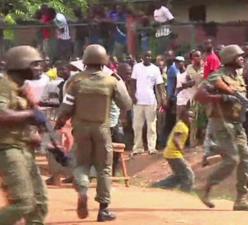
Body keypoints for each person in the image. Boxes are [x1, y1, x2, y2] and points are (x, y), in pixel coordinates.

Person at [55, 44, 132, 222]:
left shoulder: (75, 81)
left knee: (81, 165)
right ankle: (103, 210)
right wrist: (118, 80)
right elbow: (126, 104)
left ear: (85, 60)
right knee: (104, 168)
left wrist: (59, 123)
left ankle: (82, 191)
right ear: (104, 61)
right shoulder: (111, 80)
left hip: (80, 129)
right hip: (102, 129)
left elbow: (66, 107)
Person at [194, 45, 248, 211]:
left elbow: (242, 101)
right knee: (233, 158)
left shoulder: (238, 78)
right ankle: (206, 187)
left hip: (237, 124)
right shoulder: (216, 77)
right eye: (239, 56)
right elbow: (199, 96)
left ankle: (241, 199)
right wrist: (222, 97)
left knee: (246, 158)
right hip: (221, 123)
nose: (242, 59)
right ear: (230, 58)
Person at [0, 46, 48, 225]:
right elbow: (1, 115)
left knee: (39, 204)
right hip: (7, 149)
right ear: (21, 65)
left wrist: (40, 138)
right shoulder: (3, 86)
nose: (39, 68)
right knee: (23, 203)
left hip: (24, 148)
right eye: (35, 64)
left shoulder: (23, 88)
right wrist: (30, 115)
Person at [131, 50, 166, 155]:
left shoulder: (155, 69)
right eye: (146, 56)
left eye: (150, 56)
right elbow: (133, 82)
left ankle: (152, 148)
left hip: (151, 101)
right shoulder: (137, 67)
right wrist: (132, 95)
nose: (148, 58)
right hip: (138, 101)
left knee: (151, 126)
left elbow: (160, 86)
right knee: (137, 125)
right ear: (142, 56)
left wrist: (162, 99)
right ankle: (138, 148)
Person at [151, 110, 195, 192]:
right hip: (173, 154)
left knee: (178, 176)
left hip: (170, 153)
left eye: (192, 117)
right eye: (189, 117)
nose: (191, 119)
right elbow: (176, 138)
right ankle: (185, 191)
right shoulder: (181, 125)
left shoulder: (182, 125)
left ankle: (158, 186)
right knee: (188, 174)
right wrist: (181, 149)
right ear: (183, 117)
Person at [186, 50, 205, 147]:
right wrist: (188, 82)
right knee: (193, 121)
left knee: (204, 121)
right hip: (193, 97)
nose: (197, 58)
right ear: (192, 58)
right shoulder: (189, 68)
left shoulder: (205, 66)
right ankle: (192, 143)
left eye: (198, 56)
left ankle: (204, 144)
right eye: (195, 56)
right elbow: (187, 80)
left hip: (204, 98)